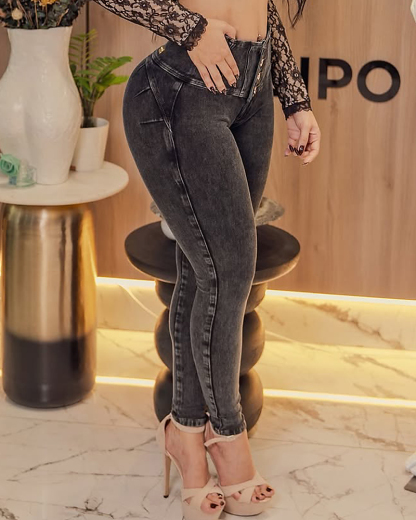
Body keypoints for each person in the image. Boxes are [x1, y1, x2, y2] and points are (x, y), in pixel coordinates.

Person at [91, 0, 321, 517]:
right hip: (184, 87)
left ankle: (185, 432)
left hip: (253, 85)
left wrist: (293, 98)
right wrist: (191, 29)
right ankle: (228, 436)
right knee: (230, 271)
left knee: (206, 270)